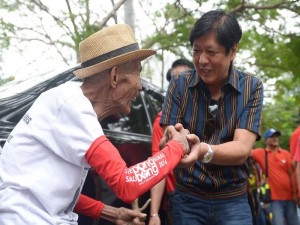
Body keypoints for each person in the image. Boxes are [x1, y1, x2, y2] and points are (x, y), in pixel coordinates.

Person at [0, 24, 202, 225]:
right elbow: (127, 183)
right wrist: (177, 146)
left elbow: (49, 188)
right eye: (137, 73)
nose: (140, 85)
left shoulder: (66, 99)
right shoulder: (73, 107)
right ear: (115, 77)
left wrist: (110, 212)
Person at [160, 10, 264, 225]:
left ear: (232, 51)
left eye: (211, 52)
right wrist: (169, 140)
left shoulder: (251, 88)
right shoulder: (179, 85)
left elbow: (241, 150)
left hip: (232, 200)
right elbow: (168, 136)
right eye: (196, 51)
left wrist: (203, 150)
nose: (201, 60)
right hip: (187, 199)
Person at [149, 59, 194, 225]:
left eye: (184, 78)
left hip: (216, 196)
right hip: (180, 198)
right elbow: (159, 166)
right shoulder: (162, 121)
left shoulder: (212, 114)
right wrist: (154, 214)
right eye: (173, 81)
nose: (178, 84)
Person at [252, 128, 299, 225]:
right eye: (272, 137)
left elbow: (292, 175)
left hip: (290, 198)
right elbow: (245, 152)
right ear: (265, 140)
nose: (275, 139)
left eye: (276, 136)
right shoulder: (261, 153)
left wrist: (296, 194)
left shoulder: (285, 154)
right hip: (274, 200)